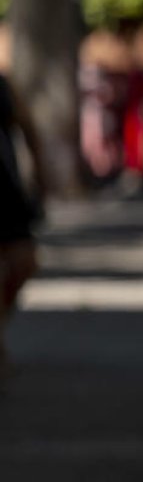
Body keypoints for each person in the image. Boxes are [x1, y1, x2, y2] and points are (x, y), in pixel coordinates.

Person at [0, 73, 45, 367]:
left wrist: (40, 175)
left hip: (5, 189)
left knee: (25, 262)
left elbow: (27, 127)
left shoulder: (2, 84)